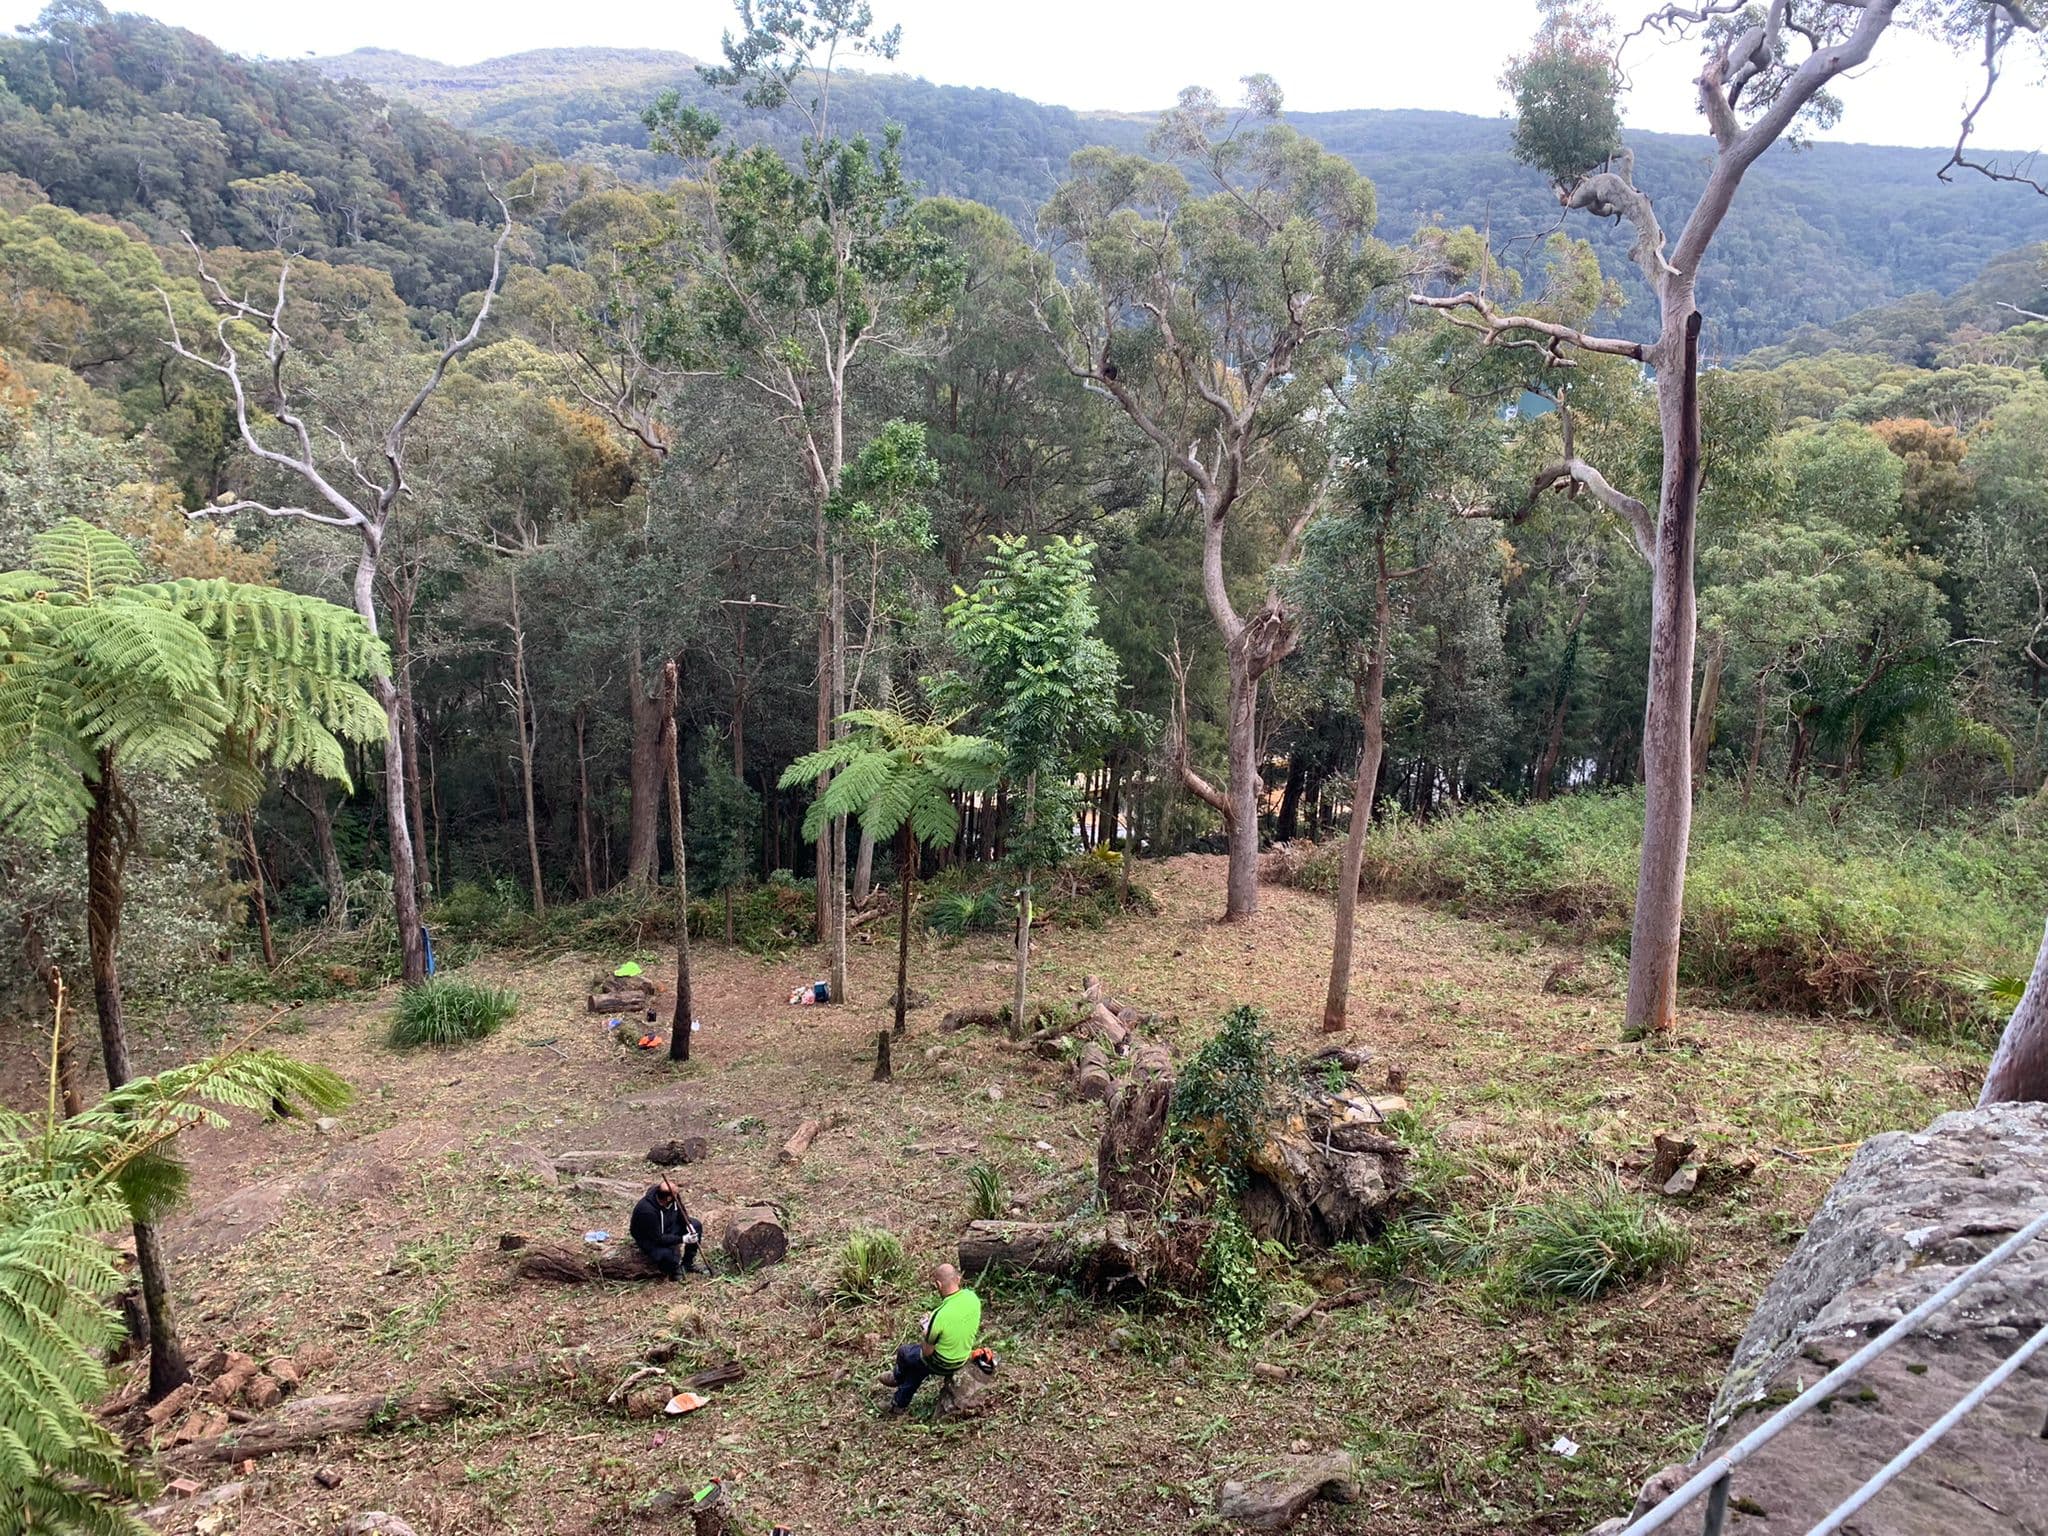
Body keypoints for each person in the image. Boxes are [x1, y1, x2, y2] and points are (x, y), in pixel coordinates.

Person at [878, 1262, 981, 1411]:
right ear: (958, 1279)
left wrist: (926, 1330)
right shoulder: (973, 1298)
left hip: (943, 1362)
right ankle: (897, 1404)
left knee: (905, 1353)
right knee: (916, 1369)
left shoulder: (939, 1315)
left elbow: (927, 1352)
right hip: (963, 1356)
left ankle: (897, 1377)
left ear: (938, 1285)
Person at [629, 1178, 703, 1279]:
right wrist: (683, 1239)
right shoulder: (647, 1211)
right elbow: (658, 1239)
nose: (678, 1196)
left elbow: (681, 1209)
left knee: (696, 1226)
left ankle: (687, 1264)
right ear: (668, 1198)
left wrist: (687, 1224)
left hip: (668, 1226)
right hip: (651, 1239)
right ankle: (672, 1270)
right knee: (668, 1256)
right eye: (675, 1195)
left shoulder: (673, 1196)